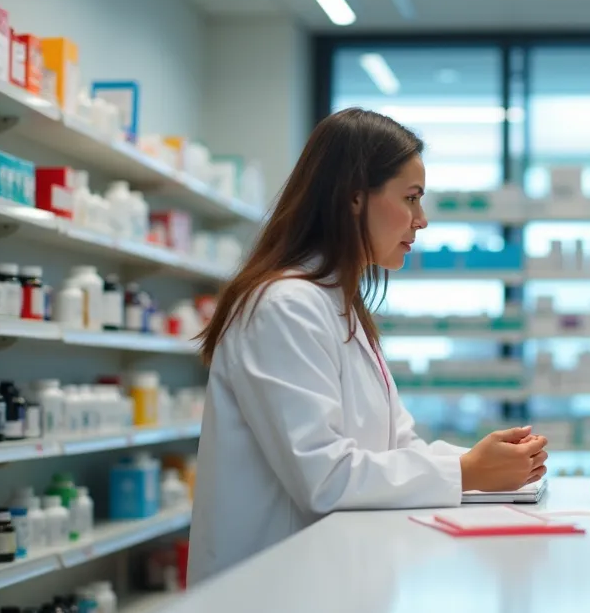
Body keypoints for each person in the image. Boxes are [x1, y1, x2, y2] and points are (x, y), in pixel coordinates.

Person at [188, 108, 548, 584]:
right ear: (355, 198)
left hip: (332, 574)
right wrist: (466, 471)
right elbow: (324, 479)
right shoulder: (284, 305)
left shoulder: (337, 302)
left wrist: (484, 461)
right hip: (270, 587)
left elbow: (397, 445)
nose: (421, 220)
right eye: (411, 199)